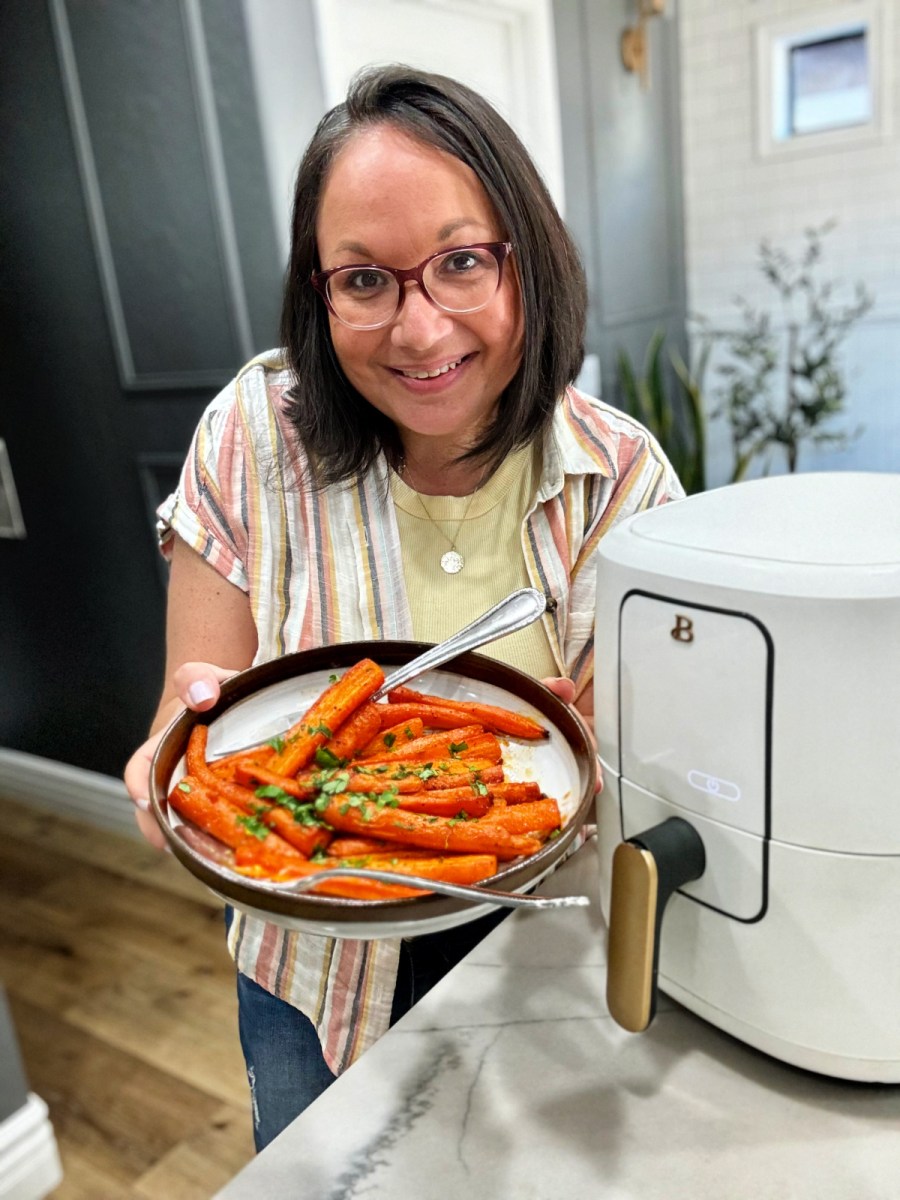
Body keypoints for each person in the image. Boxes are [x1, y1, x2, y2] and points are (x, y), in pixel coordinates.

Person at [124, 63, 683, 1151]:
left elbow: (629, 778)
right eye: (366, 280)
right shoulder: (253, 430)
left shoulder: (623, 477)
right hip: (310, 959)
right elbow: (186, 721)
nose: (420, 332)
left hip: (533, 945)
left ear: (531, 259)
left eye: (463, 262)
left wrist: (613, 741)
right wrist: (167, 761)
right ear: (319, 292)